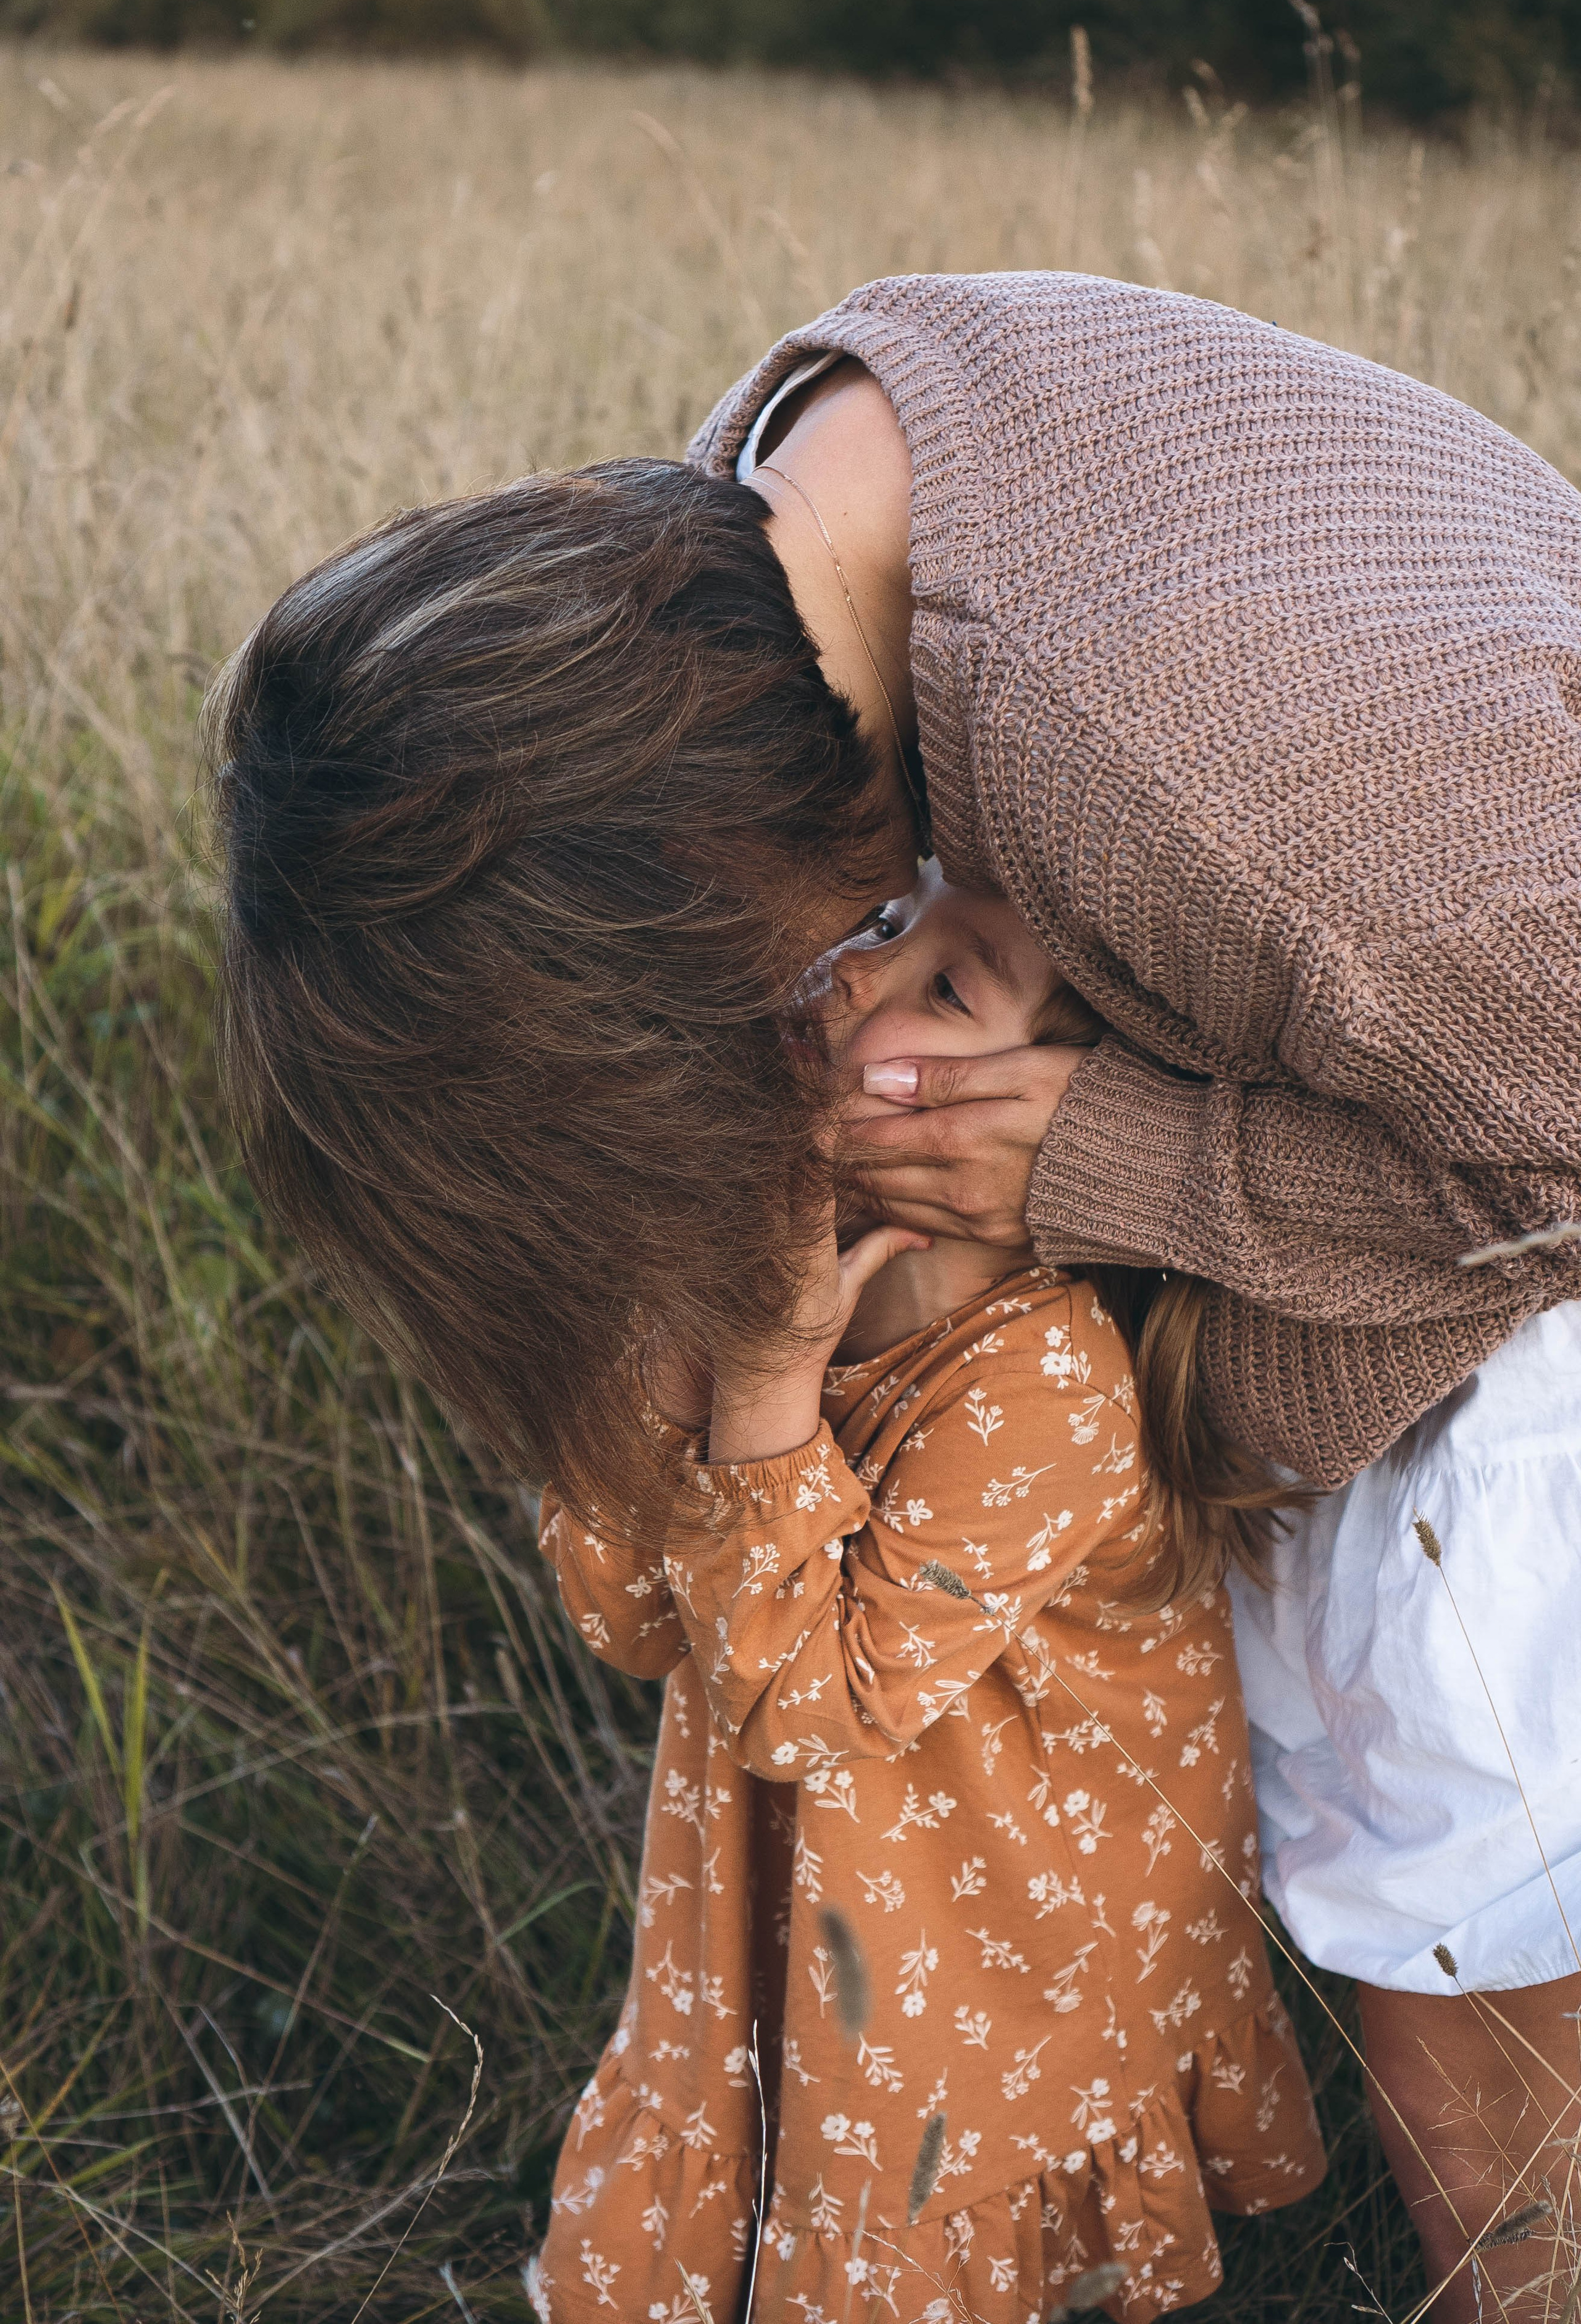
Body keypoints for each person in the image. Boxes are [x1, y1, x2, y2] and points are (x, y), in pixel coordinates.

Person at [208, 272, 1581, 2314]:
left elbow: (1551, 1128)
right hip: (1383, 1121)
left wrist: (1100, 1160)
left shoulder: (1184, 767)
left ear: (693, 902)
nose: (836, 1029)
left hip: (1511, 1257)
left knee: (1462, 1996)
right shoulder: (765, 536)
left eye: (756, 1010)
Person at [527, 863, 1326, 2324]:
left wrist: (763, 1381)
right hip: (782, 1932)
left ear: (1051, 1115)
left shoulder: (1046, 1379)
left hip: (984, 1976)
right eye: (886, 926)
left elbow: (795, 1704)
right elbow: (624, 1618)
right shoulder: (768, 1255)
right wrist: (703, 1324)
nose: (852, 968)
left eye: (944, 985)